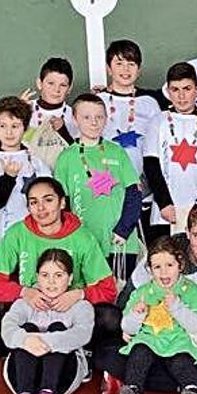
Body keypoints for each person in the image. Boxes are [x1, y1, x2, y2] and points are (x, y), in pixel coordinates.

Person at [99, 207, 197, 394]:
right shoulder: (162, 254)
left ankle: (131, 381)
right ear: (188, 233)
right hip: (149, 338)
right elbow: (127, 302)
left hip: (191, 342)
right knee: (109, 352)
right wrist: (129, 324)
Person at [0, 177, 117, 358]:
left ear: (62, 202)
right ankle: (34, 349)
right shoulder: (17, 234)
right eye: (33, 202)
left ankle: (72, 349)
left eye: (48, 200)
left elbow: (108, 289)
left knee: (111, 319)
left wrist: (78, 294)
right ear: (28, 207)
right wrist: (24, 292)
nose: (41, 208)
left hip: (70, 313)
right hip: (31, 313)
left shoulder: (82, 237)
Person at [117, 237, 197, 394]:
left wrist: (177, 307)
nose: (163, 272)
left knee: (181, 360)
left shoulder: (192, 290)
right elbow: (127, 328)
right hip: (150, 339)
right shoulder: (142, 292)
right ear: (150, 270)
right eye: (157, 267)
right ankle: (132, 391)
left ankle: (191, 391)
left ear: (180, 265)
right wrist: (136, 315)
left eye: (169, 265)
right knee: (139, 352)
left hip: (178, 340)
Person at [1, 249, 94, 394]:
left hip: (63, 378)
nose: (51, 282)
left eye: (59, 275)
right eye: (45, 275)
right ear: (37, 277)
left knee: (57, 328)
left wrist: (45, 341)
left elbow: (82, 335)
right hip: (20, 378)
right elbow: (7, 329)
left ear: (70, 278)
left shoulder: (81, 306)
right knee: (26, 328)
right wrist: (26, 340)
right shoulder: (24, 304)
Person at [54, 94, 142, 277]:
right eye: (86, 117)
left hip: (121, 243)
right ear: (74, 118)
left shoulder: (117, 152)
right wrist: (72, 237)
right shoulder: (66, 158)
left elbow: (134, 193)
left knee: (120, 297)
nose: (94, 123)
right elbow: (62, 205)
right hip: (85, 243)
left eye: (99, 117)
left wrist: (123, 230)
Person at [143, 63, 197, 242]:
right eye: (175, 90)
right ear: (168, 92)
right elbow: (151, 165)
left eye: (187, 89)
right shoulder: (158, 122)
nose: (182, 96)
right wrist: (164, 203)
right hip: (165, 212)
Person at [0, 96, 51, 244]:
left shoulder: (36, 163)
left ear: (25, 128)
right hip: (5, 237)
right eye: (3, 126)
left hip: (37, 236)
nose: (9, 133)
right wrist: (8, 177)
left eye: (15, 126)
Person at [96, 40, 160, 199]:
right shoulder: (97, 101)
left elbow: (159, 146)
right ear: (109, 69)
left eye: (131, 64)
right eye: (119, 63)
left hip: (144, 187)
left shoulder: (149, 102)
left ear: (139, 70)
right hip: (104, 187)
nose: (125, 69)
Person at [23, 57, 77, 145]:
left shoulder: (73, 115)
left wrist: (63, 131)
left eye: (63, 85)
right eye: (51, 83)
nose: (56, 90)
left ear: (69, 88)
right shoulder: (26, 108)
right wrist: (17, 111)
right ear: (39, 84)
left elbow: (78, 151)